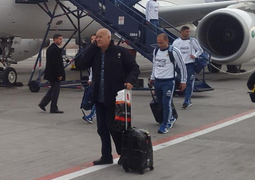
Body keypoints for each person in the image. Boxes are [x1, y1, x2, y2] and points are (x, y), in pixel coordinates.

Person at [79, 28, 140, 165]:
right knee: (102, 129)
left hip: (115, 98)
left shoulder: (120, 52)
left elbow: (134, 68)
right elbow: (81, 63)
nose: (98, 39)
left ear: (108, 38)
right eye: (96, 37)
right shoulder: (94, 53)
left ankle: (123, 154)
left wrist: (130, 80)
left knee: (115, 128)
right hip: (99, 98)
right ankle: (106, 156)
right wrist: (91, 46)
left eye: (100, 37)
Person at [149, 33, 187, 134]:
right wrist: (152, 78)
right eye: (158, 43)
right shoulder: (156, 51)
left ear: (167, 41)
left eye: (161, 43)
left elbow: (182, 66)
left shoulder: (174, 51)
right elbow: (155, 65)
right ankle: (171, 117)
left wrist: (183, 81)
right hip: (158, 81)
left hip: (168, 81)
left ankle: (165, 124)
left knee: (166, 103)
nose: (159, 45)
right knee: (161, 103)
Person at [173, 26, 203, 109]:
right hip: (180, 65)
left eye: (189, 32)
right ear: (181, 32)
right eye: (186, 32)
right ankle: (187, 98)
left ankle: (187, 100)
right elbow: (173, 53)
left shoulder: (192, 41)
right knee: (183, 82)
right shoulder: (176, 42)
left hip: (190, 64)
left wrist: (195, 56)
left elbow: (200, 50)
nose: (188, 33)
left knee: (189, 82)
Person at [38, 34, 66, 113]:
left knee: (52, 89)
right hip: (54, 74)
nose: (61, 41)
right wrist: (59, 74)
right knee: (55, 91)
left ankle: (43, 103)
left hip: (52, 74)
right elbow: (55, 63)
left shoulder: (52, 48)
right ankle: (53, 107)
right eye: (60, 39)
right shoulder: (54, 49)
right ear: (55, 39)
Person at [82, 34, 97, 124]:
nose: (92, 40)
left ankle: (91, 115)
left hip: (101, 81)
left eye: (94, 39)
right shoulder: (91, 51)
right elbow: (92, 68)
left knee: (98, 99)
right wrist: (90, 78)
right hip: (95, 80)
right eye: (91, 39)